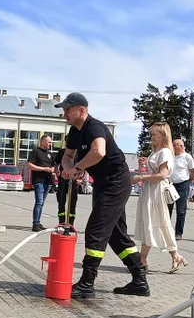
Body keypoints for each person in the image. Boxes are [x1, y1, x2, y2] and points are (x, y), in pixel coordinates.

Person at [57, 93, 149, 298]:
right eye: (63, 111)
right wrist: (67, 169)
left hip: (116, 181)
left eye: (67, 110)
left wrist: (78, 167)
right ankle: (139, 281)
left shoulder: (94, 127)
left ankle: (87, 284)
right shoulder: (75, 131)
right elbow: (68, 155)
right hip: (102, 183)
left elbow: (98, 151)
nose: (64, 115)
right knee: (117, 236)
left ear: (82, 110)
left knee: (95, 231)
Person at [132, 122, 186, 273]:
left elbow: (162, 175)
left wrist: (141, 177)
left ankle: (143, 260)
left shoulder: (165, 152)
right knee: (156, 224)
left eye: (154, 134)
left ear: (163, 136)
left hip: (156, 192)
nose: (151, 137)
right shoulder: (156, 152)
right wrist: (142, 167)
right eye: (151, 134)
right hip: (150, 190)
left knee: (156, 223)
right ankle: (174, 256)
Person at [169, 138, 194, 240]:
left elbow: (193, 172)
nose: (174, 147)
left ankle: (178, 233)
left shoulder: (187, 157)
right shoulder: (171, 157)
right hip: (171, 184)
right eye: (173, 145)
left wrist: (190, 182)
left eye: (175, 145)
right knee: (168, 209)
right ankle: (167, 231)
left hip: (182, 185)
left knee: (181, 211)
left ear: (181, 146)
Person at [27, 135, 55, 232]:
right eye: (49, 142)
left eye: (51, 142)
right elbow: (30, 165)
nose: (50, 144)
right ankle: (35, 224)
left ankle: (38, 222)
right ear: (43, 142)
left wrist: (52, 169)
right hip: (39, 181)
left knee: (42, 203)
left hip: (47, 181)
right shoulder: (36, 152)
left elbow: (53, 165)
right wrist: (43, 169)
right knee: (39, 202)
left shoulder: (49, 154)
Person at [54, 138, 80, 228]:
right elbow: (56, 164)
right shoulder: (62, 152)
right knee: (61, 201)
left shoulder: (78, 152)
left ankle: (70, 224)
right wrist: (58, 174)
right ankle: (61, 223)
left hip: (73, 180)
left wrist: (82, 178)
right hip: (63, 180)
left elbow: (85, 167)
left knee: (72, 203)